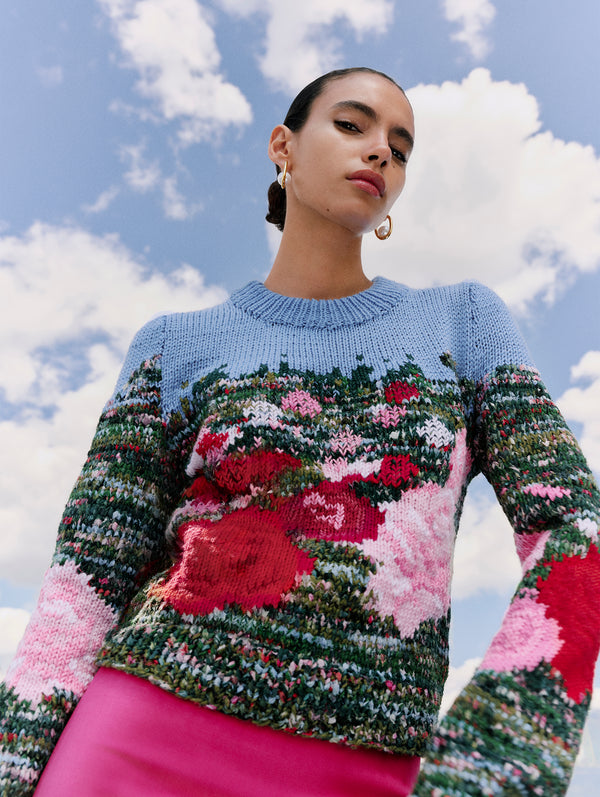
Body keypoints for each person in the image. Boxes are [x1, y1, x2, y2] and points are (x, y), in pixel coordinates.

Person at [1, 66, 599, 797]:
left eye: (401, 146)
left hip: (364, 764)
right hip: (133, 736)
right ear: (283, 145)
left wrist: (494, 758)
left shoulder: (463, 322)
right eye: (353, 125)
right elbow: (80, 589)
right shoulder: (176, 344)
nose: (381, 150)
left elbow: (577, 526)